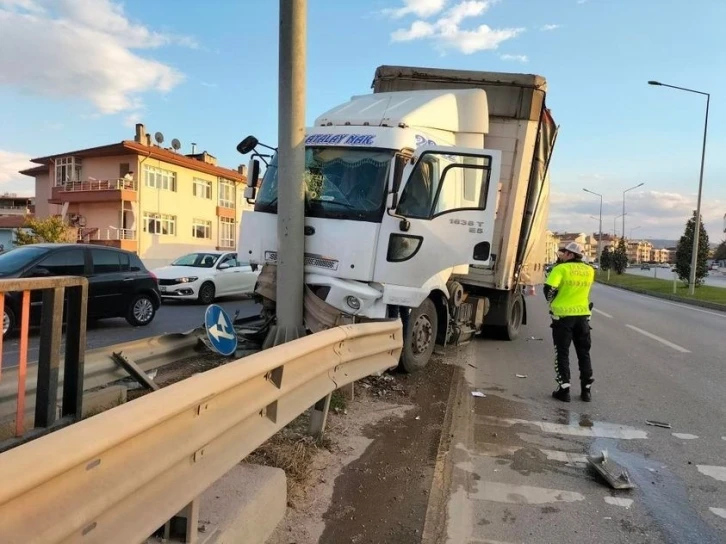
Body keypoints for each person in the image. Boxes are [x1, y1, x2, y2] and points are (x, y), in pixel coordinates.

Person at [543, 242, 595, 402]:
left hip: (563, 317)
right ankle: (586, 390)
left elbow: (549, 289)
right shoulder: (589, 270)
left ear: (571, 254)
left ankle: (564, 389)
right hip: (583, 317)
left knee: (562, 353)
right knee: (584, 353)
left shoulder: (560, 269)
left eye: (564, 252)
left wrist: (551, 303)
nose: (562, 254)